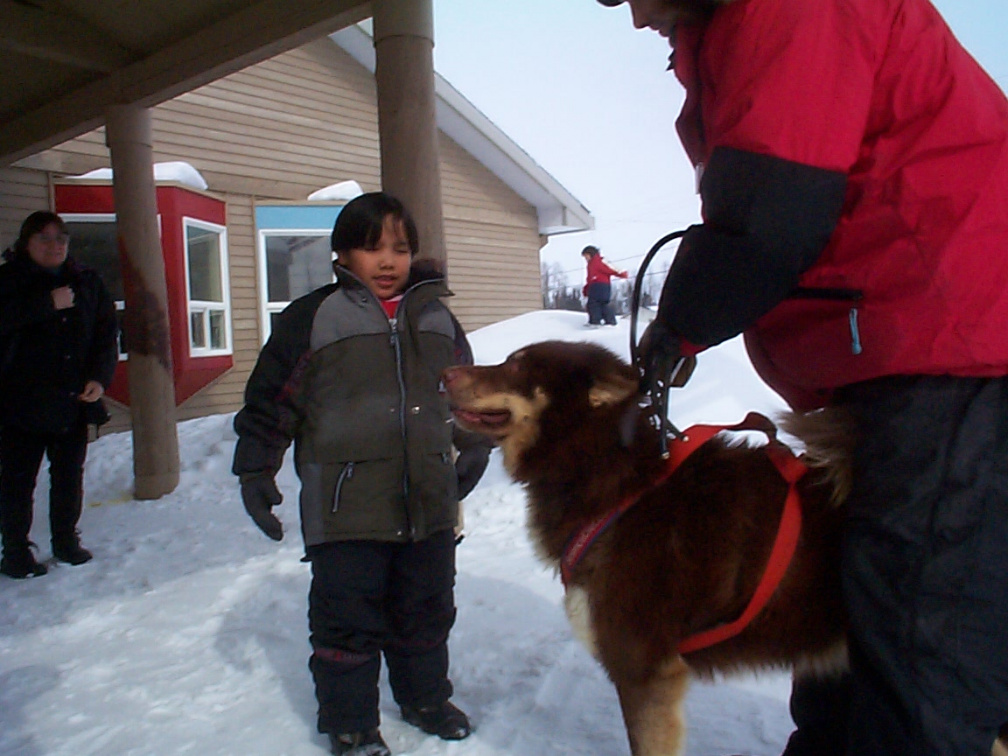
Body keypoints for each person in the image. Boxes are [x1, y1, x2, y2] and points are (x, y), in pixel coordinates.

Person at [596, 0, 1008, 754]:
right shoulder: (728, 25)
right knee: (849, 620)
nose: (633, 19)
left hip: (954, 342)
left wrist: (675, 329)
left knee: (920, 651)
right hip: (902, 350)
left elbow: (772, 208)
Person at [232, 191, 491, 756]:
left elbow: (463, 391)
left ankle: (424, 699)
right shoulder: (313, 319)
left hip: (427, 500)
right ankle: (350, 722)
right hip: (345, 508)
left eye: (399, 247)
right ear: (343, 254)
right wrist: (256, 469)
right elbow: (271, 402)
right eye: (371, 247)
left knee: (427, 611)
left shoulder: (437, 316)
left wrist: (472, 444)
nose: (388, 260)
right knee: (346, 620)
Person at [0, 211, 118, 579]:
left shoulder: (86, 281)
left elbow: (105, 334)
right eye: (45, 238)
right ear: (26, 243)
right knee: (18, 481)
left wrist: (99, 379)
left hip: (72, 401)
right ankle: (16, 552)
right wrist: (46, 305)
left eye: (61, 238)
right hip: (20, 403)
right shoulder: (7, 281)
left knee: (69, 476)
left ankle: (66, 541)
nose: (55, 246)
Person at [581, 244, 628, 326]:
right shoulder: (591, 264)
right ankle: (609, 321)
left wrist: (621, 273)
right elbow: (590, 278)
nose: (586, 258)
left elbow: (611, 268)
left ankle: (595, 321)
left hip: (600, 286)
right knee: (602, 304)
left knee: (594, 304)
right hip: (596, 286)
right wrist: (586, 289)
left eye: (586, 256)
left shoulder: (599, 261)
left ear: (591, 254)